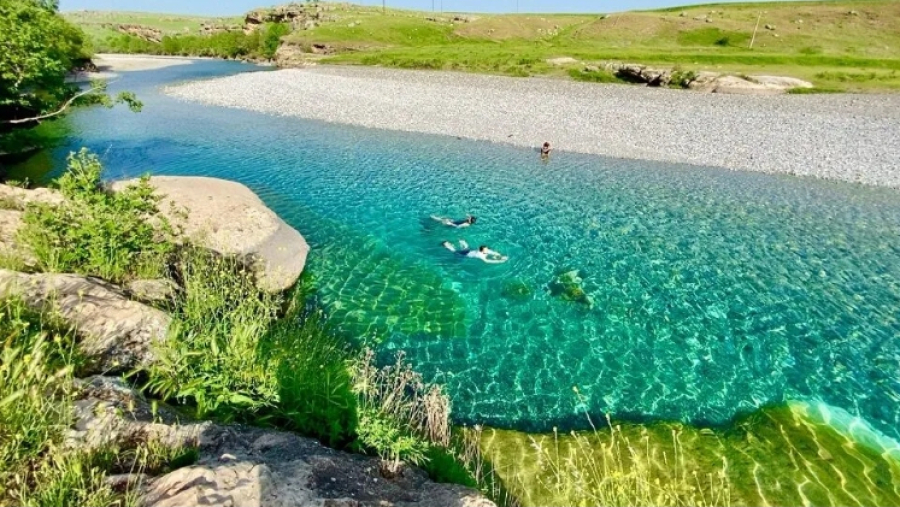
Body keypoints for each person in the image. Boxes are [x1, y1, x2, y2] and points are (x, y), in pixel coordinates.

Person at [441, 240, 508, 264]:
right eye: (486, 250)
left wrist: (501, 256)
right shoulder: (479, 255)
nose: (488, 250)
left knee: (464, 244)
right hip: (464, 254)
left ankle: (450, 244)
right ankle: (446, 245)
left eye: (487, 249)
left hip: (469, 251)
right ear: (482, 251)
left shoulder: (484, 250)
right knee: (455, 251)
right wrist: (500, 261)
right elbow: (487, 261)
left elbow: (493, 252)